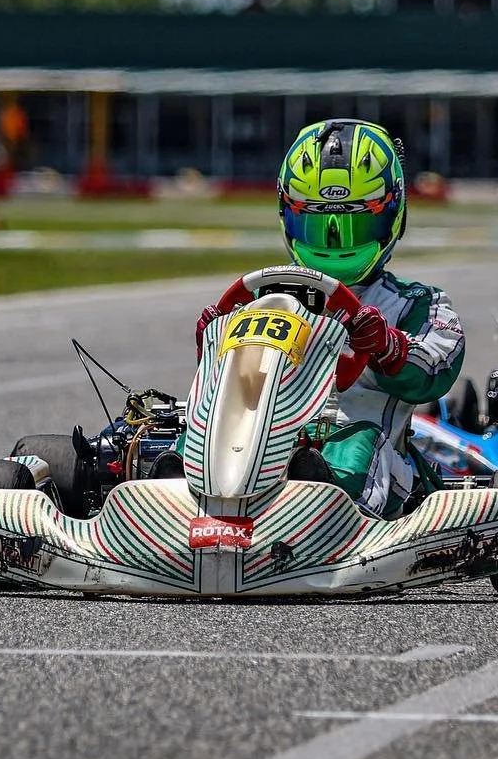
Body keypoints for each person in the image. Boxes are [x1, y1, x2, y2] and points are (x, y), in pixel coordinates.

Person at [194, 119, 464, 518]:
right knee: (196, 437)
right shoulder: (261, 298)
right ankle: (173, 496)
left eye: (355, 225)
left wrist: (388, 347)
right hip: (261, 440)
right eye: (316, 225)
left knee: (355, 447)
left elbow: (437, 366)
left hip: (375, 454)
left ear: (393, 216)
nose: (335, 243)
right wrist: (218, 338)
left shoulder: (415, 304)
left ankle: (325, 503)